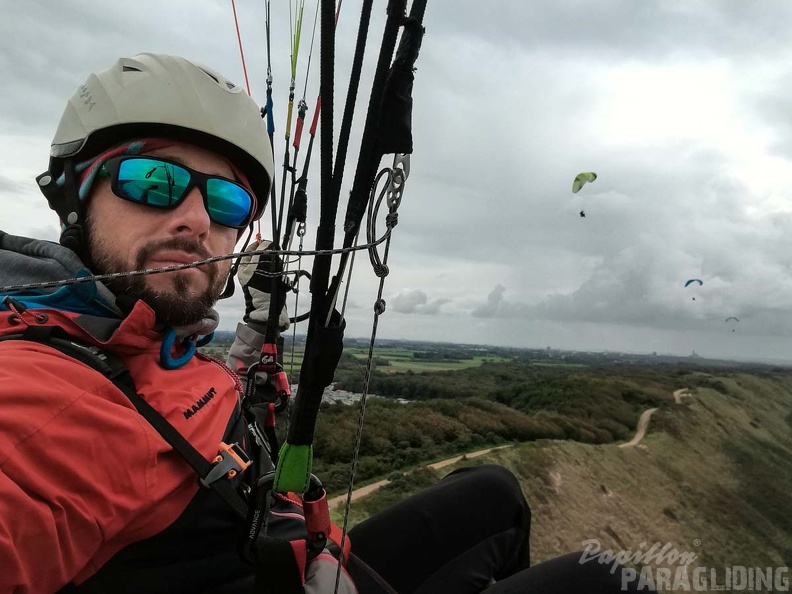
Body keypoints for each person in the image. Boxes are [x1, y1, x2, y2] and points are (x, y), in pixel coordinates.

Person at [0, 53, 647, 593]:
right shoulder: (44, 396)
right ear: (73, 193)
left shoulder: (145, 345)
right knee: (606, 580)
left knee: (494, 494)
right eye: (154, 180)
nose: (196, 219)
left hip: (301, 561)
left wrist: (255, 326)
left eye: (227, 200)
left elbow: (176, 409)